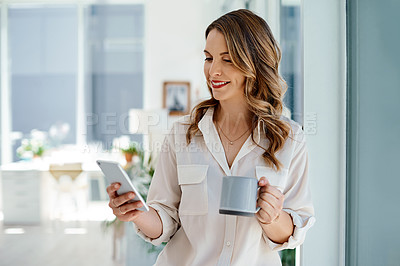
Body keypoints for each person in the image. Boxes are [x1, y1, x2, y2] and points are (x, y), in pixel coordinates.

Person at [106, 9, 315, 265]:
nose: (213, 71)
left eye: (227, 60)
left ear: (256, 63)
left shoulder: (289, 139)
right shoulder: (183, 133)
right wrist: (136, 213)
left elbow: (294, 232)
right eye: (208, 58)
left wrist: (272, 216)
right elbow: (165, 220)